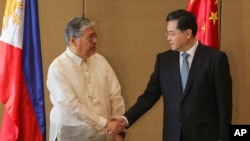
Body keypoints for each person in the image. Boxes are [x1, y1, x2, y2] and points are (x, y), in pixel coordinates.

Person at [110, 9, 232, 141]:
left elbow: (224, 104)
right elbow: (149, 96)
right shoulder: (164, 60)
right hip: (173, 136)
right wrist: (125, 119)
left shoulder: (215, 59)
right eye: (167, 33)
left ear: (187, 33)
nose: (168, 38)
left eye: (172, 34)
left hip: (205, 136)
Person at [47, 17, 125, 141]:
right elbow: (71, 106)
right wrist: (105, 123)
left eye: (95, 36)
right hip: (70, 134)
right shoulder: (58, 68)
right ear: (73, 40)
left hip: (103, 134)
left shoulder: (101, 61)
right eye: (90, 37)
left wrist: (118, 130)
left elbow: (115, 96)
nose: (95, 40)